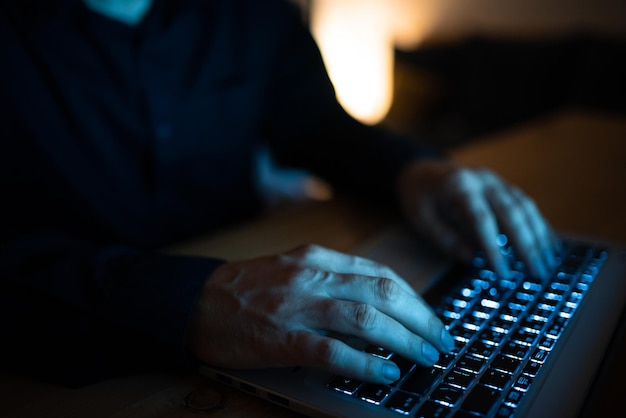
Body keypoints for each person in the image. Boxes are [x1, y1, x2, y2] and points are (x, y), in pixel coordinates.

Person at [0, 0, 558, 387]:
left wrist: (415, 172)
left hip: (263, 335)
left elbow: (317, 127)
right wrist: (188, 300)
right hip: (57, 354)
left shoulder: (256, 12)